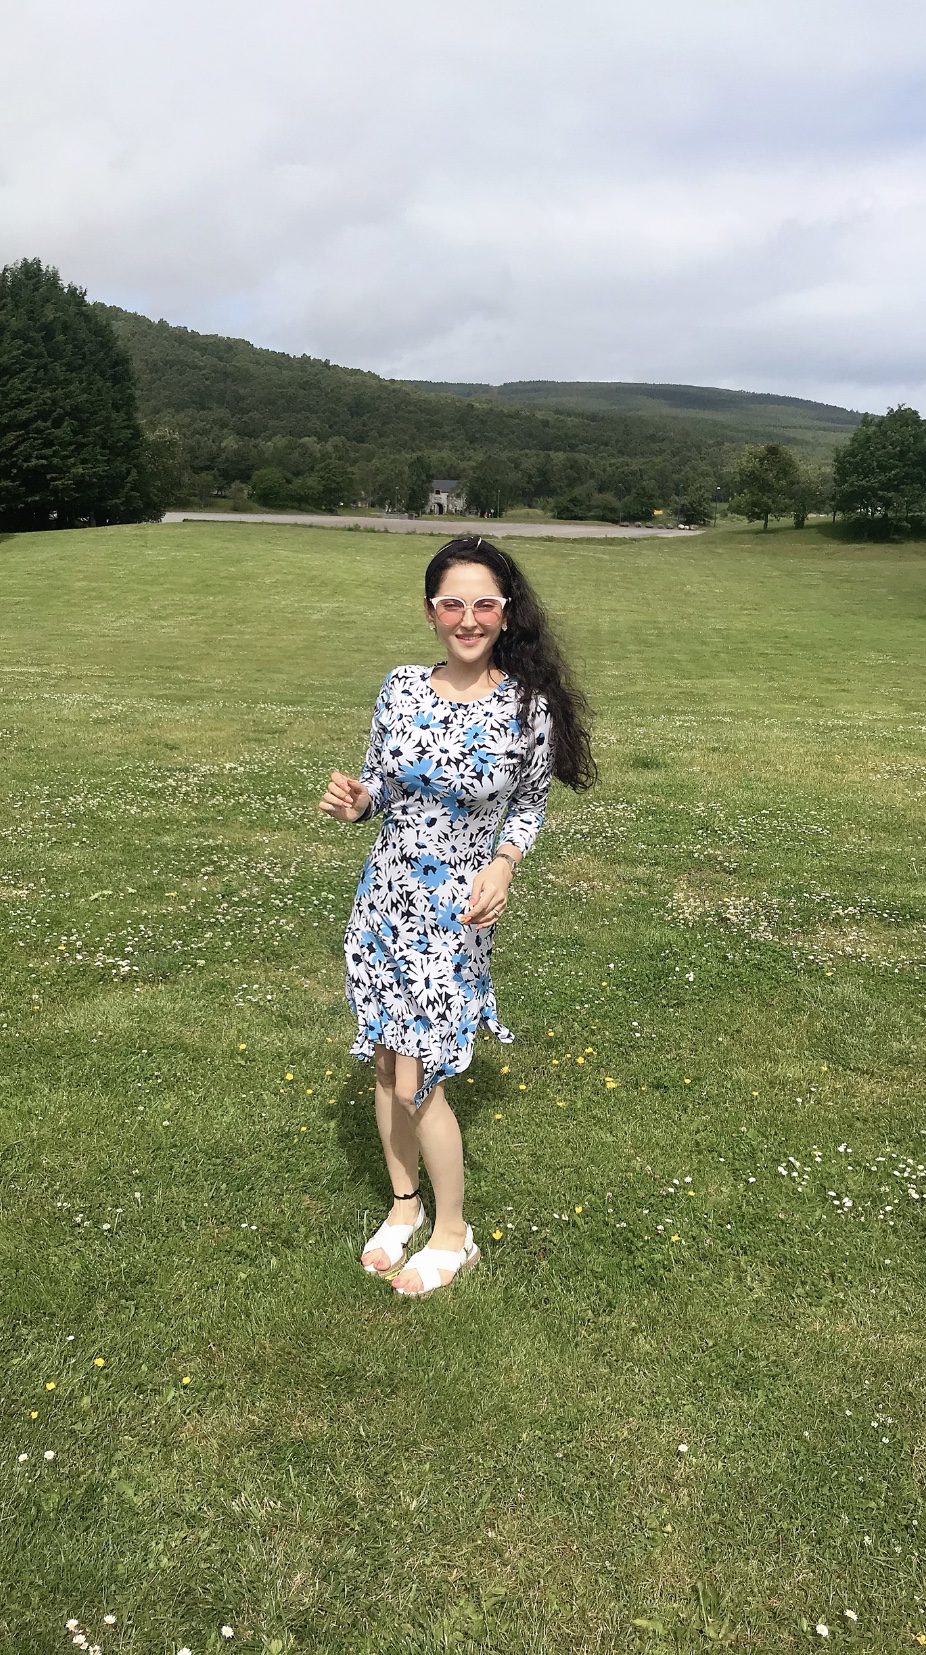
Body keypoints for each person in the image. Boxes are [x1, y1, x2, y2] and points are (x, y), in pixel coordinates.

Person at [318, 536, 596, 1296]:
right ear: (430, 611)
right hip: (384, 899)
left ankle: (454, 1233)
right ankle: (404, 1205)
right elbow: (381, 785)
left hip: (455, 914)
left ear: (505, 612)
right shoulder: (401, 687)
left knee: (420, 1075)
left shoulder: (527, 706)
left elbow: (530, 804)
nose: (467, 619)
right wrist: (357, 802)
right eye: (452, 604)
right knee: (386, 1061)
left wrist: (503, 864)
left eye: (483, 604)